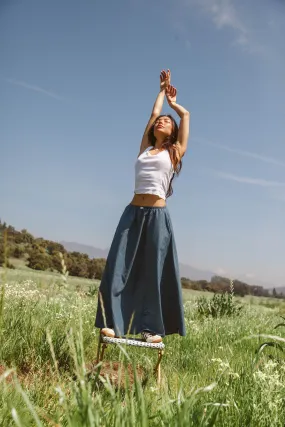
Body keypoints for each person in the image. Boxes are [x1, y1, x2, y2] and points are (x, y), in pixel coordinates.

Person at [95, 70, 190, 343]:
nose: (161, 121)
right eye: (159, 120)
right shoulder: (145, 149)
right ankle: (113, 322)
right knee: (118, 266)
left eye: (165, 121)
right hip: (132, 213)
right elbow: (152, 115)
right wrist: (161, 91)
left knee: (153, 271)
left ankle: (152, 329)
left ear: (171, 132)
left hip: (158, 216)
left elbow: (185, 117)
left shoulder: (174, 152)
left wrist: (174, 106)